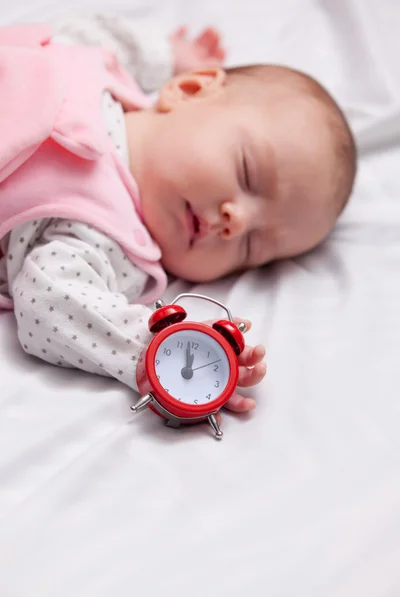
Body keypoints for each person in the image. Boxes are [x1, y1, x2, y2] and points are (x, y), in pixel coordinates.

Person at [0, 13, 356, 415]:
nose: (235, 221)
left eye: (251, 246)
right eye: (246, 172)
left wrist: (154, 348)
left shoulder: (109, 243)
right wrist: (163, 54)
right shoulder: (106, 70)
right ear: (189, 88)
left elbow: (49, 300)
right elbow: (78, 31)